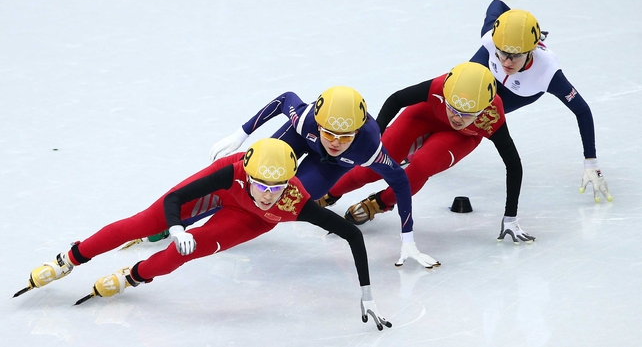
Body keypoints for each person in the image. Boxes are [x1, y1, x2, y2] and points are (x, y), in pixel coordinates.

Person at [14, 138, 391, 331]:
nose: (268, 193)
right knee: (143, 223)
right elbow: (177, 198)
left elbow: (352, 237)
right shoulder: (234, 172)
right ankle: (70, 259)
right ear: (249, 171)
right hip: (225, 193)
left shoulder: (295, 202)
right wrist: (175, 226)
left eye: (277, 188)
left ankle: (133, 276)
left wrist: (366, 294)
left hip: (253, 221)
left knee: (188, 252)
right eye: (262, 184)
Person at [208, 86, 438, 268]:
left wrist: (408, 237)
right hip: (300, 138)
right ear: (318, 124)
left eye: (345, 136)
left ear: (357, 131)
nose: (335, 142)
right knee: (255, 175)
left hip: (331, 165)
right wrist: (241, 134)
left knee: (293, 196)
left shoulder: (369, 147)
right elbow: (284, 99)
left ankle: (222, 224)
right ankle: (186, 212)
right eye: (328, 133)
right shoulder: (304, 118)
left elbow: (399, 181)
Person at [317, 62, 535, 246]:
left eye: (467, 114)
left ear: (484, 110)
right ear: (446, 96)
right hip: (425, 115)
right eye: (453, 108)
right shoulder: (438, 87)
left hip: (461, 138)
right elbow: (396, 99)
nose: (457, 118)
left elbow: (513, 164)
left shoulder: (493, 116)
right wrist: (377, 135)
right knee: (375, 164)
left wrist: (510, 217)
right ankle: (330, 192)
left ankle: (379, 203)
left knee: (422, 165)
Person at [470, 0, 612, 203]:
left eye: (516, 56)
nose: (507, 62)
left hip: (518, 91)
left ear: (531, 50)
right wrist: (517, 27)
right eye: (503, 54)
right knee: (455, 95)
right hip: (486, 65)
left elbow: (582, 110)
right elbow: (497, 4)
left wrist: (591, 161)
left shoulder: (548, 73)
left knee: (474, 118)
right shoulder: (491, 38)